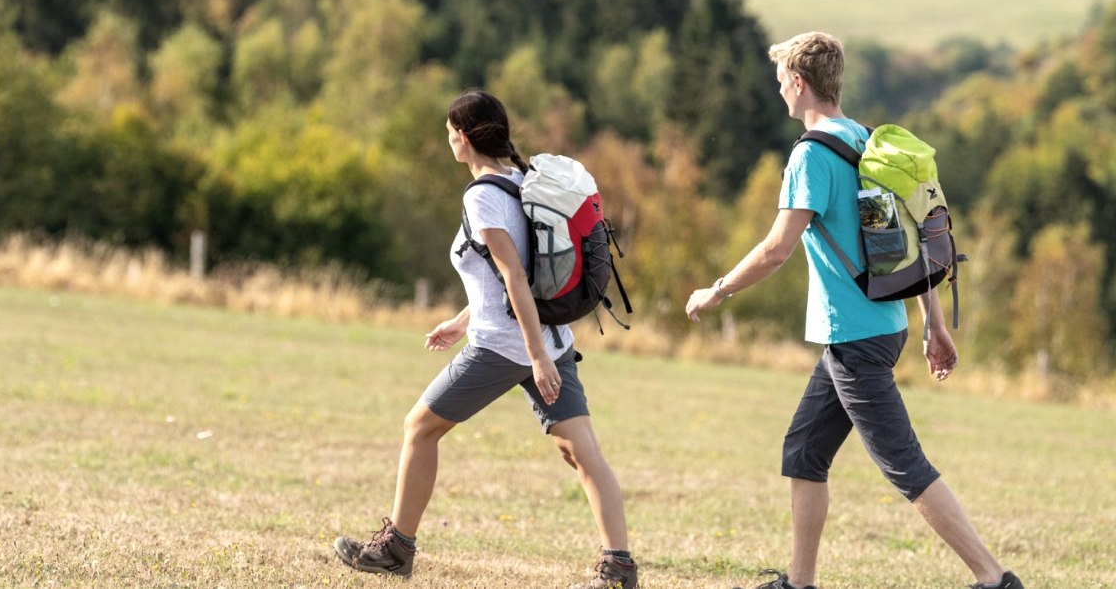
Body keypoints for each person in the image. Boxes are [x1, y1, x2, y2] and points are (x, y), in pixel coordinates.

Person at [683, 32, 1023, 589]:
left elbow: (776, 250)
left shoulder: (812, 154)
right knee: (803, 451)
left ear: (798, 84)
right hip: (879, 328)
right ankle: (799, 582)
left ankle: (993, 578)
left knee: (905, 465)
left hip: (855, 337)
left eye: (781, 84)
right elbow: (906, 244)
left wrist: (715, 291)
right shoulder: (867, 141)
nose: (780, 95)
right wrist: (932, 324)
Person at [332, 90, 638, 589]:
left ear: (465, 137)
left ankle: (395, 549)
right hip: (548, 340)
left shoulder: (481, 196)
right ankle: (619, 566)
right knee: (582, 453)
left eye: (451, 131)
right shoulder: (520, 183)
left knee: (419, 428)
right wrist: (462, 320)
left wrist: (535, 358)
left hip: (508, 347)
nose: (448, 139)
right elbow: (511, 278)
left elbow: (515, 276)